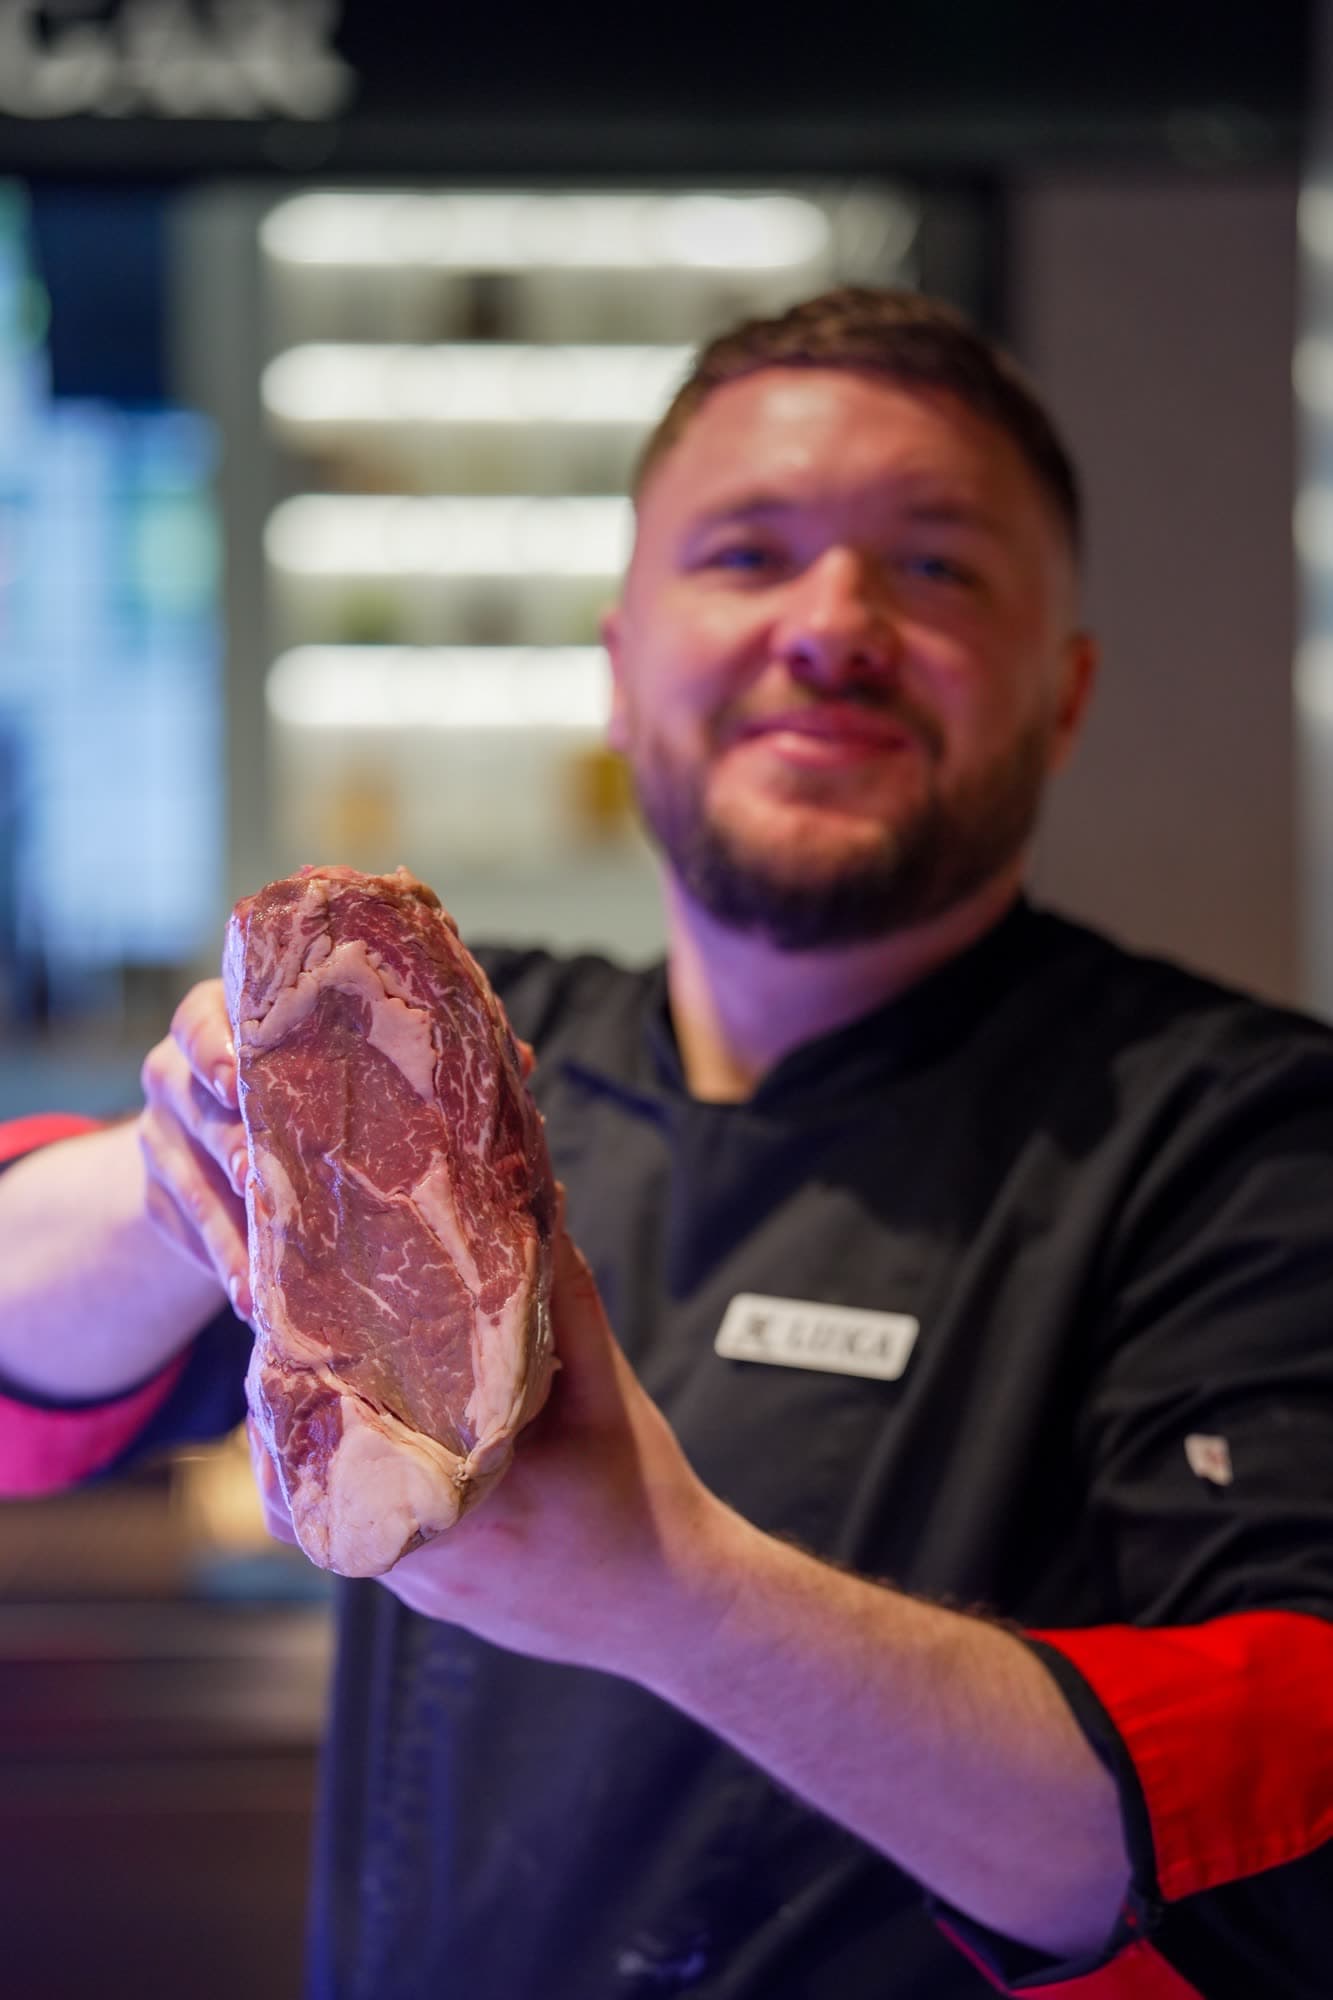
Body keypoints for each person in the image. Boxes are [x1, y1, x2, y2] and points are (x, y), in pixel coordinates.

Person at [2, 288, 1331, 2000]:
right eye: (746, 553)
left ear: (1061, 695)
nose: (833, 624)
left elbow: (1280, 1828)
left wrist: (675, 1593)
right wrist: (179, 1172)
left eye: (935, 567)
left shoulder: (1240, 1133)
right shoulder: (469, 1050)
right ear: (621, 675)